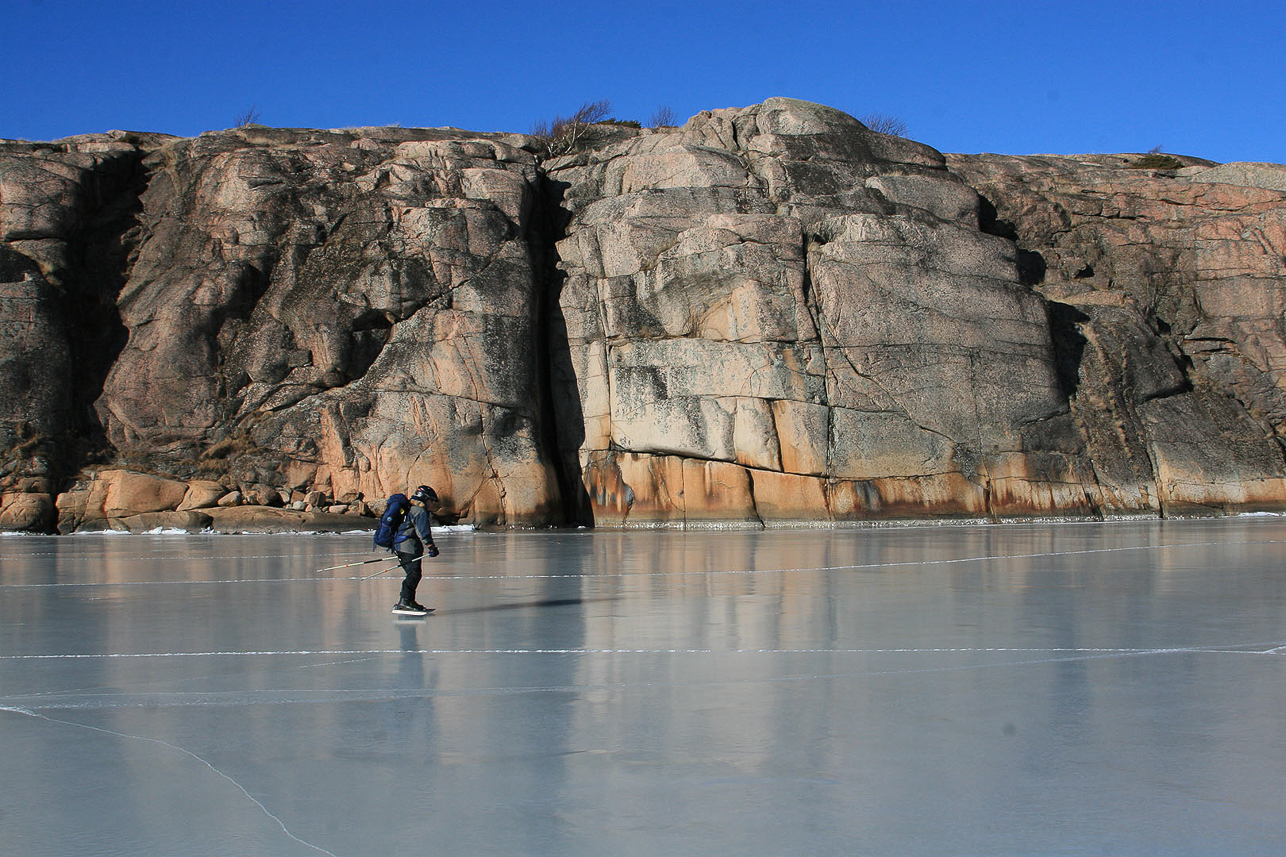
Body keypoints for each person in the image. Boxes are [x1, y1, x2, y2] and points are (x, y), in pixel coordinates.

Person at [391, 485, 441, 616]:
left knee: (413, 573)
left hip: (400, 545)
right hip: (408, 546)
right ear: (426, 499)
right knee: (414, 574)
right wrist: (431, 546)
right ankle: (405, 601)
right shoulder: (419, 511)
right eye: (432, 501)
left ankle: (409, 601)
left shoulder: (410, 508)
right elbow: (423, 531)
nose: (432, 504)